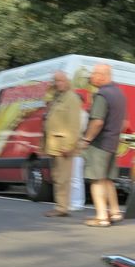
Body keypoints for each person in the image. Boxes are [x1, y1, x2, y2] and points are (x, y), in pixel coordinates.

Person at [79, 64, 127, 227]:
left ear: (102, 76)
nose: (92, 76)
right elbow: (125, 122)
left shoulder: (102, 95)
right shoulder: (119, 93)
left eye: (94, 73)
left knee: (96, 180)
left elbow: (97, 121)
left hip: (99, 144)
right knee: (107, 180)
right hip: (112, 143)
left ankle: (101, 217)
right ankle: (114, 212)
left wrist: (86, 139)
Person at [42, 70, 82, 217]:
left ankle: (62, 208)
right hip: (54, 145)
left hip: (63, 145)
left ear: (67, 81)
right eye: (56, 81)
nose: (58, 83)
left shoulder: (71, 98)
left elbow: (74, 124)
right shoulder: (58, 97)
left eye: (61, 80)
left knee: (63, 178)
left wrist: (69, 145)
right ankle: (60, 206)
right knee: (57, 176)